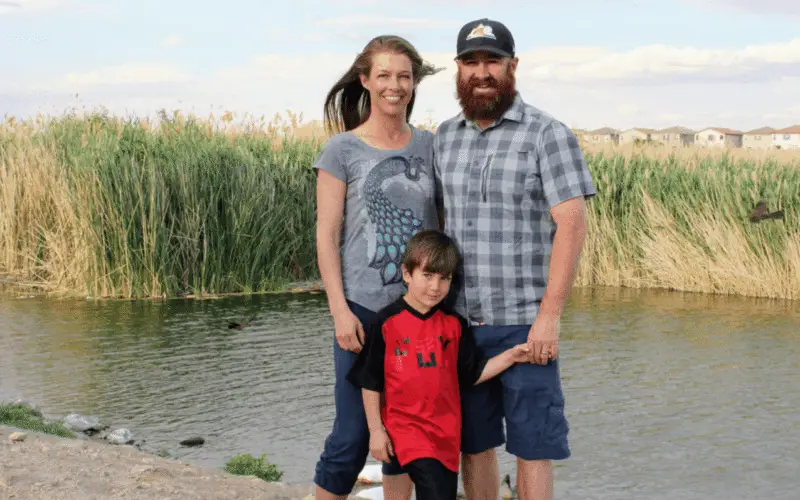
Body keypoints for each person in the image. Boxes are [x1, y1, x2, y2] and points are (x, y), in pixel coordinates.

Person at [432, 18, 597, 500]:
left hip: (527, 322)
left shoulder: (548, 134)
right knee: (474, 443)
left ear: (512, 66)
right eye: (471, 62)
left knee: (533, 445)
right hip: (462, 323)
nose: (481, 72)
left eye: (492, 61)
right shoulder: (444, 137)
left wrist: (549, 317)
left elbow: (572, 225)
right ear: (458, 70)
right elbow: (442, 226)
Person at [312, 34, 444, 500]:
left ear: (414, 83)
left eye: (404, 76)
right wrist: (339, 312)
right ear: (365, 80)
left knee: (405, 435)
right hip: (362, 311)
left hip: (415, 315)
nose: (395, 85)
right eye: (384, 75)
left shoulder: (432, 146)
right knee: (351, 437)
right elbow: (327, 235)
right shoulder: (342, 150)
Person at [347, 229, 533, 500]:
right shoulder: (386, 323)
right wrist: (376, 431)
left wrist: (511, 356)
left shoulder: (454, 325)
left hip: (444, 435)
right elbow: (370, 381)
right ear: (407, 274)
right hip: (403, 429)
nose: (435, 287)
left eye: (444, 279)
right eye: (427, 275)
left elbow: (470, 374)